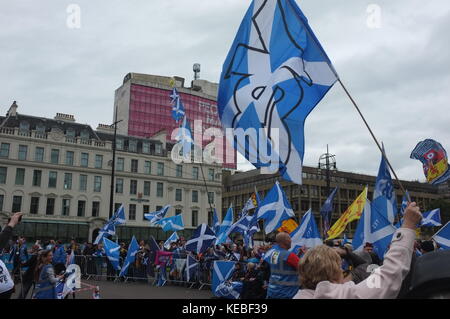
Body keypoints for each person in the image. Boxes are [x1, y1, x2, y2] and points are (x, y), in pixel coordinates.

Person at [294, 202, 422, 299]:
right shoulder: (342, 295)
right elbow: (389, 275)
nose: (342, 271)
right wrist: (408, 225)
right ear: (332, 272)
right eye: (340, 267)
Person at [265, 232, 300, 299]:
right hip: (286, 293)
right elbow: (305, 269)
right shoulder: (290, 255)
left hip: (273, 292)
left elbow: (284, 265)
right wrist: (307, 254)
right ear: (285, 241)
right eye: (289, 239)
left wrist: (298, 255)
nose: (291, 241)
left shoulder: (274, 253)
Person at [0, 212, 23, 299]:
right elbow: (3, 238)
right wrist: (11, 224)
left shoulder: (21, 246)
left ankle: (16, 280)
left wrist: (11, 283)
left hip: (7, 288)